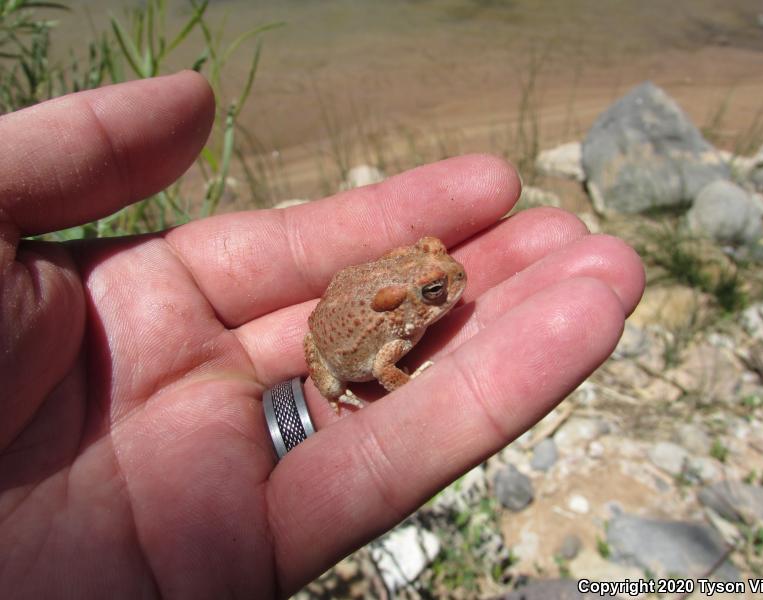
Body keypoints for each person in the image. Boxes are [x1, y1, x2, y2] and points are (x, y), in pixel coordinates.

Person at [0, 71, 645, 598]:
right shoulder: (394, 334)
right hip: (339, 353)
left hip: (348, 306)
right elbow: (387, 367)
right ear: (410, 306)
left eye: (437, 275)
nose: (448, 283)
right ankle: (331, 388)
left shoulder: (406, 299)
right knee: (336, 375)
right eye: (432, 290)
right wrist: (393, 381)